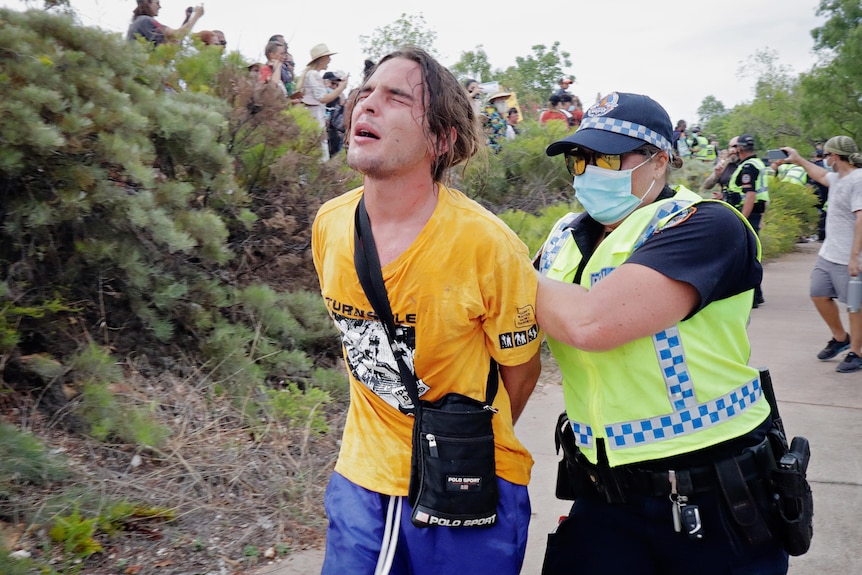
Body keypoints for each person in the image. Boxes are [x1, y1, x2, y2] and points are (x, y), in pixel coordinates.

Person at [535, 91, 788, 575]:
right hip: (603, 492)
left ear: (660, 161)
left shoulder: (707, 225)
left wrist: (497, 262)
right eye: (579, 159)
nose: (589, 171)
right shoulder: (564, 236)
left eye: (608, 156)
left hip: (713, 497)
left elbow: (591, 322)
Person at [312, 46, 542, 575]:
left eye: (395, 97)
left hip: (472, 484)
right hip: (364, 482)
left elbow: (521, 373)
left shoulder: (487, 245)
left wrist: (455, 437)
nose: (365, 105)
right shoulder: (329, 225)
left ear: (441, 139)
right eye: (365, 92)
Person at [779, 137, 862, 372]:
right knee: (818, 293)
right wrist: (797, 159)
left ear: (834, 157)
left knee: (855, 305)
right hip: (829, 254)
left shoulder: (858, 180)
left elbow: (861, 219)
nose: (824, 159)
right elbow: (819, 174)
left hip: (850, 256)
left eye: (826, 155)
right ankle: (840, 338)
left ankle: (857, 352)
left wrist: (855, 256)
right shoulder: (837, 178)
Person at [727, 133, 769, 307]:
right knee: (750, 254)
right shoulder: (758, 163)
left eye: (735, 147)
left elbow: (750, 195)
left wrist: (742, 220)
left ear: (740, 148)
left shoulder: (748, 167)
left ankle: (753, 297)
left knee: (745, 255)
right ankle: (757, 295)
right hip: (754, 213)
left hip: (747, 214)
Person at [295, 43, 349, 160]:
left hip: (313, 120)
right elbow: (323, 98)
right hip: (315, 121)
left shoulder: (311, 74)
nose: (329, 59)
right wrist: (341, 88)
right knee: (318, 157)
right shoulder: (313, 74)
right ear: (322, 59)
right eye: (327, 57)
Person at [127, 0, 204, 46]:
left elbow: (173, 42)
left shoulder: (137, 23)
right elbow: (178, 35)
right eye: (157, 3)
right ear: (147, 2)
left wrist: (187, 19)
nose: (160, 6)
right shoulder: (145, 20)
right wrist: (197, 15)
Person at [323, 71, 347, 156]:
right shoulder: (317, 97)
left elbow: (340, 123)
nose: (334, 87)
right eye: (332, 83)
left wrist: (341, 106)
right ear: (324, 82)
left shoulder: (338, 99)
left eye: (337, 85)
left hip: (332, 133)